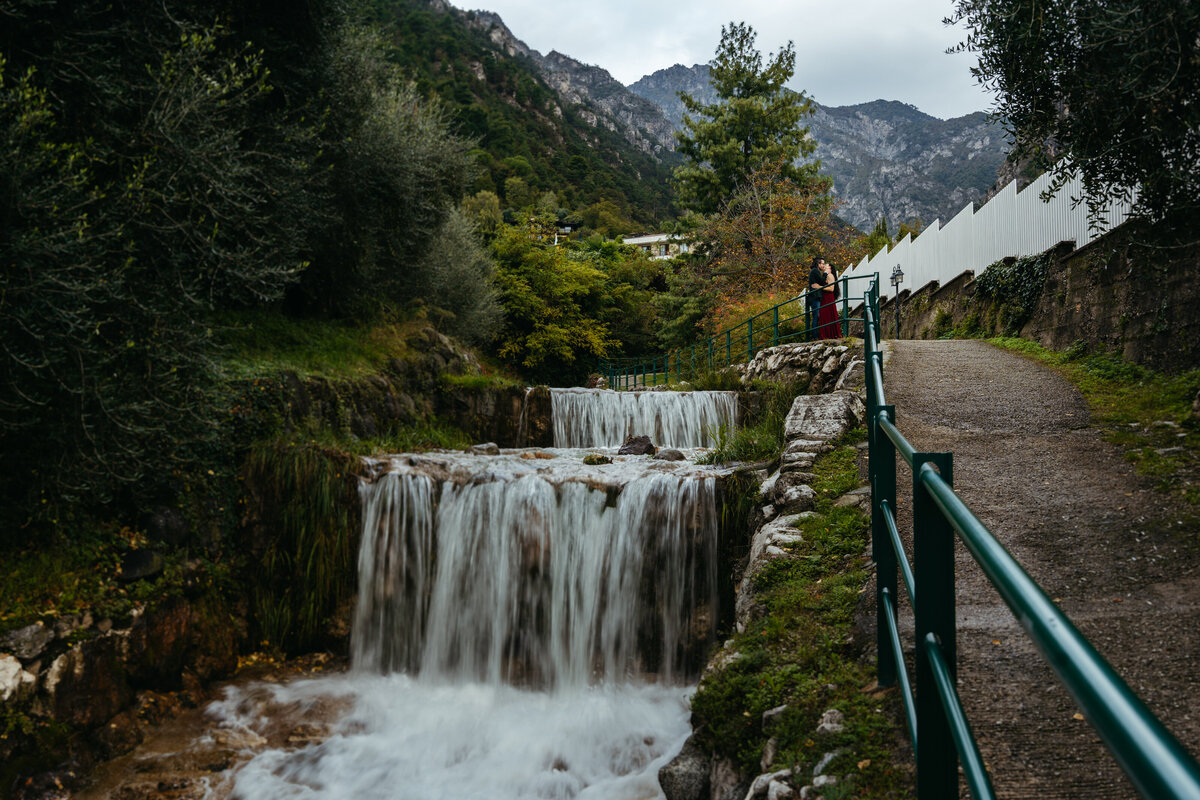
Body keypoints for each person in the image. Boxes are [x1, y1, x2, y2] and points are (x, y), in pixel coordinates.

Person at [816, 258, 841, 339]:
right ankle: (827, 334)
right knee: (825, 316)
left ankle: (829, 335)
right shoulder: (826, 276)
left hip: (828, 298)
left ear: (830, 269)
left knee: (827, 315)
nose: (824, 267)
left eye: (826, 266)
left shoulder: (830, 275)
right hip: (825, 298)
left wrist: (820, 287)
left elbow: (831, 289)